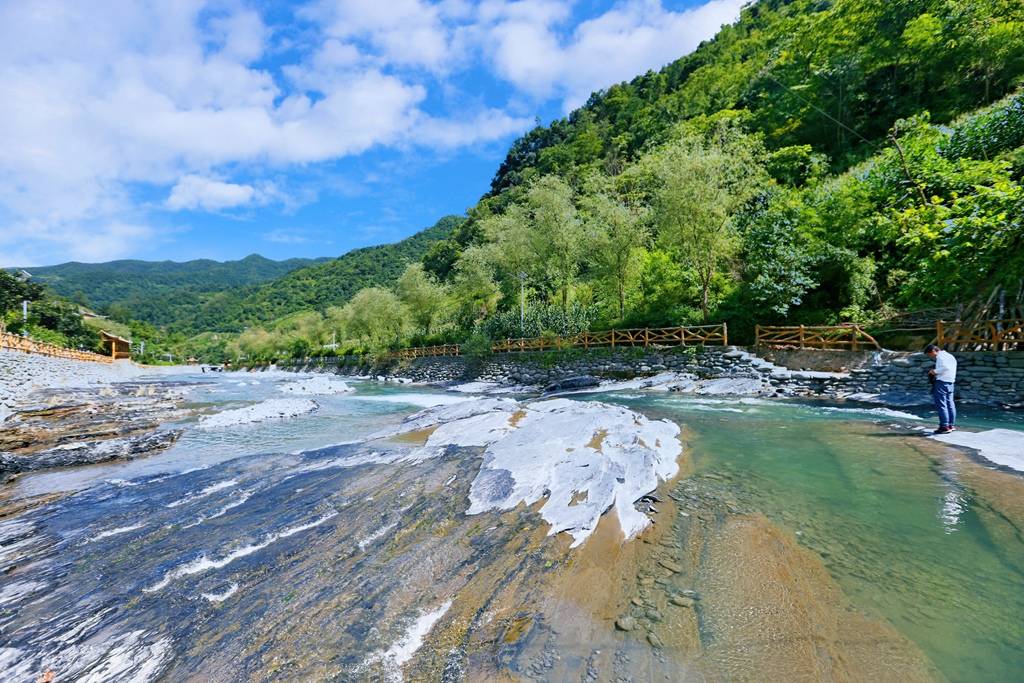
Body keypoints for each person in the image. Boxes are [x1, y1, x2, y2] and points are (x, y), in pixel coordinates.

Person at [925, 344, 956, 434]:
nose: (930, 357)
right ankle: (951, 425)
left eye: (929, 354)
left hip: (942, 382)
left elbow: (946, 368)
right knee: (950, 404)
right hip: (950, 382)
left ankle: (944, 426)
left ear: (933, 351)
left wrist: (934, 371)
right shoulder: (950, 356)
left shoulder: (940, 357)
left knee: (942, 405)